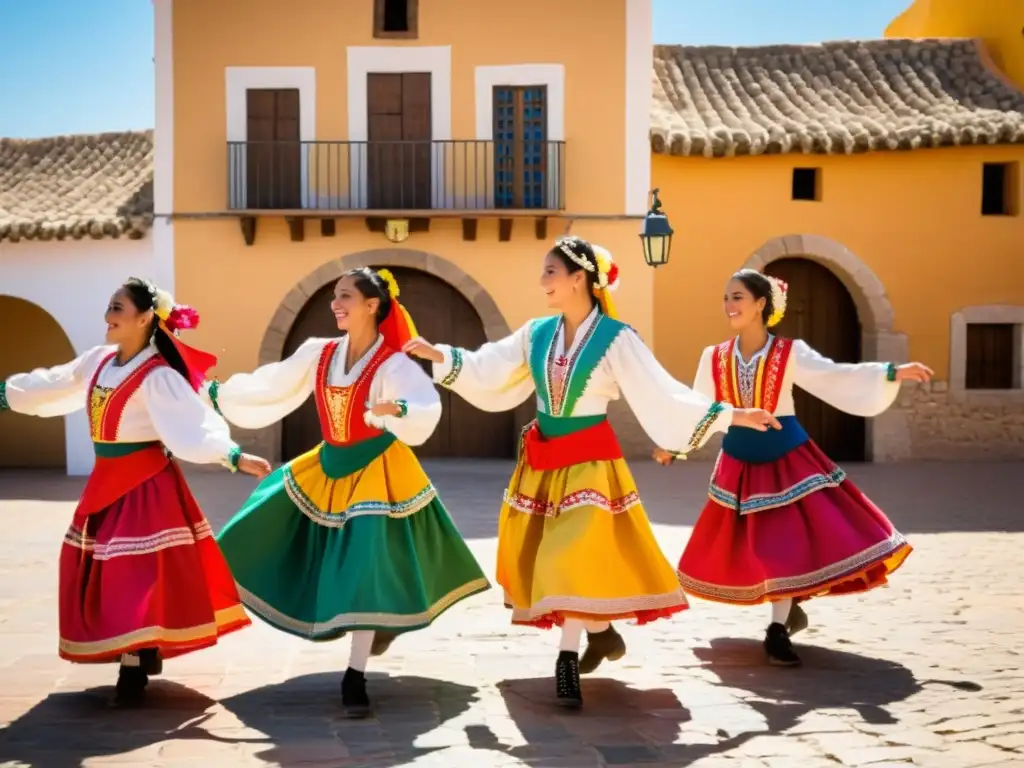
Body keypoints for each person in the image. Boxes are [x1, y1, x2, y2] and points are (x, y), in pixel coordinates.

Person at [403, 236, 781, 709]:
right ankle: (601, 634)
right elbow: (493, 365)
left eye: (550, 272)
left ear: (578, 278)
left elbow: (661, 391)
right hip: (542, 463)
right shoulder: (536, 333)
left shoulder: (616, 338)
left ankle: (566, 663)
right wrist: (442, 355)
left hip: (590, 463)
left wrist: (732, 414)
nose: (542, 282)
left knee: (568, 557)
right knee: (560, 561)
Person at [203, 267, 490, 718]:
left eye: (344, 297)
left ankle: (354, 676)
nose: (335, 304)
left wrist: (397, 408)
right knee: (248, 530)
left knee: (361, 565)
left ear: (373, 306)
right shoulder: (319, 352)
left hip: (377, 470)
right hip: (328, 463)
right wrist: (216, 393)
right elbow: (272, 383)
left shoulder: (392, 363)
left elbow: (425, 404)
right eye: (334, 297)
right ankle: (371, 629)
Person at [0, 278, 270, 704]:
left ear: (145, 318)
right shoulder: (99, 361)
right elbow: (58, 382)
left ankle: (132, 664)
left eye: (118, 309)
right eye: (109, 306)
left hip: (146, 484)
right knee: (108, 569)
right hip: (106, 479)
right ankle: (139, 647)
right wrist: (8, 394)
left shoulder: (157, 375)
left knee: (133, 571)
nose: (108, 316)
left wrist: (232, 455)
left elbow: (191, 423)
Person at [659, 269, 932, 666]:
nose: (729, 305)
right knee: (752, 548)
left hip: (787, 460)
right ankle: (787, 612)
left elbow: (834, 374)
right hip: (738, 464)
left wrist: (891, 372)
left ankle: (776, 630)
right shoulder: (714, 357)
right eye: (726, 298)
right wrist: (674, 445)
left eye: (737, 297)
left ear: (760, 305)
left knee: (783, 545)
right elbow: (701, 407)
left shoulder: (789, 352)